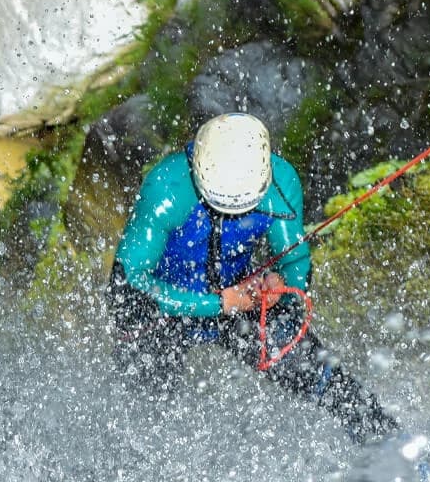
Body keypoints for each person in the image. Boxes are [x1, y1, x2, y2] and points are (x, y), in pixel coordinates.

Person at [106, 113, 400, 444]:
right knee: (147, 411)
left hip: (241, 297)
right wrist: (217, 302)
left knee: (315, 372)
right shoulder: (166, 189)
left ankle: (387, 443)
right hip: (161, 307)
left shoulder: (281, 182)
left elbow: (295, 264)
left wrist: (280, 288)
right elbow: (126, 283)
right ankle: (139, 465)